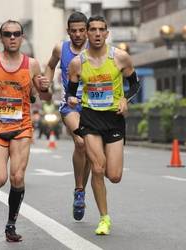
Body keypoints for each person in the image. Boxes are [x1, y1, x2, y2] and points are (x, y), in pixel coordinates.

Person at [0, 20, 50, 242]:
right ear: (1, 38)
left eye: (16, 34)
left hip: (21, 126)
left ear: (22, 37)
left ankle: (10, 225)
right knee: (0, 179)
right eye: (7, 34)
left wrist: (44, 86)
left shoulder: (32, 64)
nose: (12, 37)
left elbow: (39, 93)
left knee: (17, 176)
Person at [67, 15, 140, 235]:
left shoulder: (120, 58)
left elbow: (134, 84)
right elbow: (71, 92)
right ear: (87, 34)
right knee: (97, 168)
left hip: (113, 119)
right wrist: (72, 99)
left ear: (107, 33)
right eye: (93, 30)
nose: (97, 34)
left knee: (114, 175)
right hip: (90, 118)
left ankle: (104, 169)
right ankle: (104, 218)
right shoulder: (77, 63)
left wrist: (124, 99)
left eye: (101, 30)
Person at [44, 11, 90, 221]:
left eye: (82, 30)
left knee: (90, 149)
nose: (78, 34)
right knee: (81, 142)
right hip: (69, 106)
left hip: (93, 106)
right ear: (68, 31)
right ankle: (79, 191)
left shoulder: (96, 48)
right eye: (74, 31)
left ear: (87, 31)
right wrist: (46, 84)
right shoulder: (60, 48)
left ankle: (81, 189)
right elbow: (50, 66)